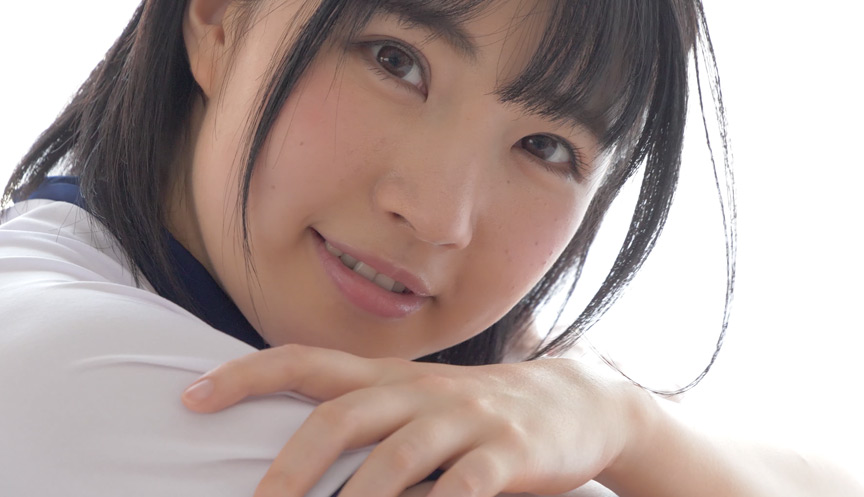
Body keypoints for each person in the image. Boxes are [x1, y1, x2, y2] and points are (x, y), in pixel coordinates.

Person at [0, 1, 860, 496]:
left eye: (546, 147)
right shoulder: (66, 367)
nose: (440, 215)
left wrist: (618, 414)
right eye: (395, 61)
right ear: (221, 17)